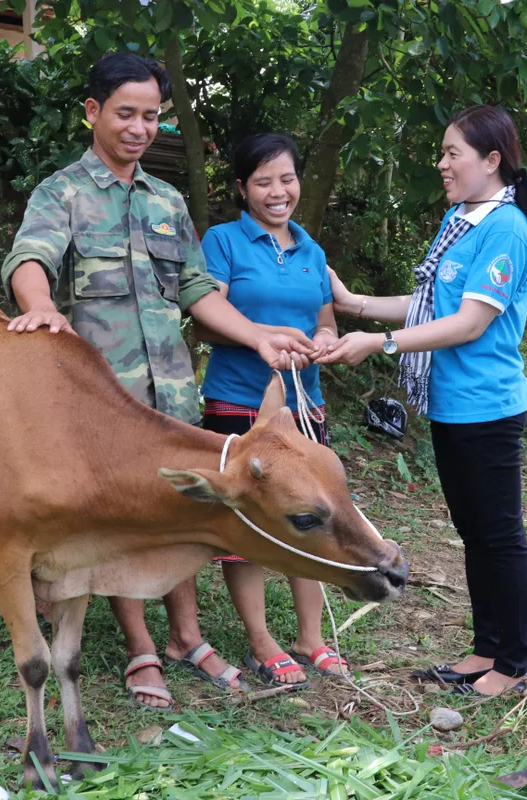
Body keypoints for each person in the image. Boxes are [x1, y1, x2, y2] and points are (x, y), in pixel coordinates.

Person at [0, 52, 314, 711]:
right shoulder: (63, 193)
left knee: (178, 513)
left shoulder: (167, 200)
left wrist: (258, 336)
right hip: (102, 403)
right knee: (120, 519)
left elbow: (197, 289)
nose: (139, 128)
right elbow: (30, 258)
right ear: (93, 112)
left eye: (151, 116)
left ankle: (186, 634)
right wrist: (42, 305)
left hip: (171, 398)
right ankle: (140, 645)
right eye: (126, 114)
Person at [319, 105, 527, 699]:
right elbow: (429, 304)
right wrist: (354, 303)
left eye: (453, 154)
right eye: (442, 152)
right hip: (450, 403)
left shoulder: (505, 229)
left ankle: (511, 663)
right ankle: (485, 649)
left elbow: (469, 322)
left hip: (488, 406)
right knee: (474, 534)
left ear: (492, 161)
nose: (442, 164)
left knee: (499, 535)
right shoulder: (462, 219)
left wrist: (380, 344)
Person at [194, 133, 348, 687]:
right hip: (237, 400)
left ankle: (311, 636)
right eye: (263, 182)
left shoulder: (312, 251)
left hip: (305, 404)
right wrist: (264, 336)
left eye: (287, 178)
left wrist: (323, 340)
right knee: (247, 520)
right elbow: (206, 318)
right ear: (242, 188)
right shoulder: (223, 241)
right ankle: (261, 640)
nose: (278, 191)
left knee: (312, 515)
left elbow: (325, 319)